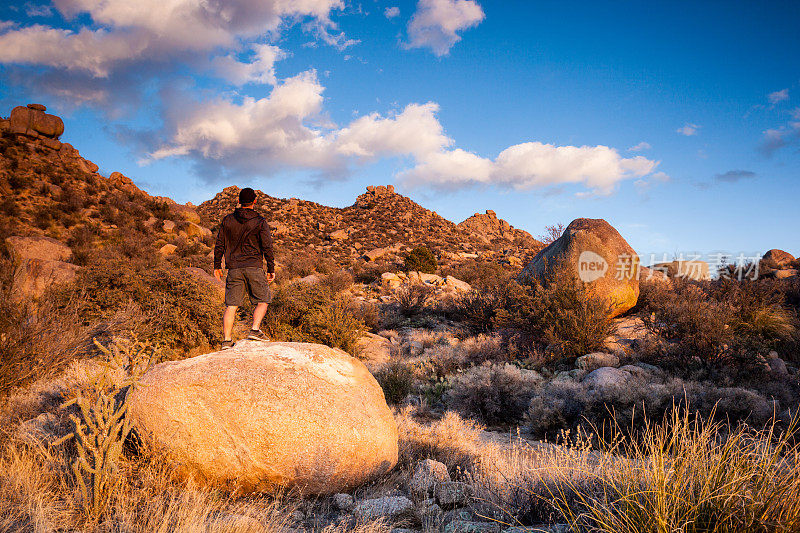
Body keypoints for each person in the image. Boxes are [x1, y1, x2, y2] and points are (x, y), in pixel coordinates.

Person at [213, 187, 275, 349]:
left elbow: (220, 243)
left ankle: (227, 341)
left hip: (234, 268)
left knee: (231, 306)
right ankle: (255, 330)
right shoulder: (260, 221)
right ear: (254, 201)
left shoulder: (227, 220)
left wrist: (216, 265)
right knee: (263, 300)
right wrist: (271, 267)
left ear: (239, 201)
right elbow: (267, 246)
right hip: (254, 266)